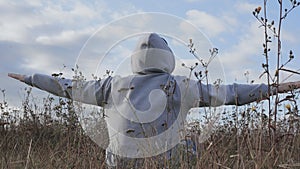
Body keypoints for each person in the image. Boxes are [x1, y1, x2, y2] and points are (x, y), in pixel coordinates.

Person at [8, 33, 300, 168]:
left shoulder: (113, 85)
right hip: (165, 161)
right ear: (167, 58)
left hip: (119, 163)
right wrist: (276, 88)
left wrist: (31, 77)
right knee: (193, 141)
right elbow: (234, 94)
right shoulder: (181, 86)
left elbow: (68, 87)